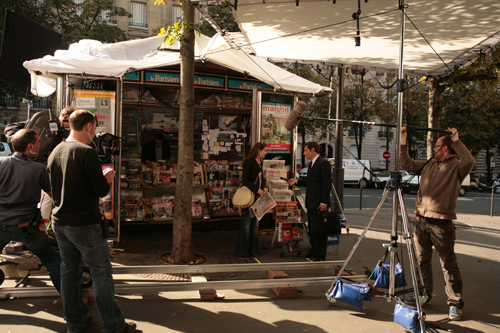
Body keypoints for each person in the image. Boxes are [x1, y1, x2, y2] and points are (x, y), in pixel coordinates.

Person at [47, 109, 136, 333]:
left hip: (60, 222)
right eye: (94, 128)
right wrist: (107, 178)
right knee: (101, 272)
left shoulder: (55, 150)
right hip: (83, 223)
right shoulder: (85, 152)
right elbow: (100, 189)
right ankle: (113, 325)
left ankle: (75, 323)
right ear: (88, 126)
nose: (95, 132)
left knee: (68, 272)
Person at [400, 126, 474, 321]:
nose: (433, 149)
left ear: (446, 149)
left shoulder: (457, 167)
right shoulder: (429, 164)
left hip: (442, 224)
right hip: (421, 222)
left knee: (448, 264)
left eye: (437, 146)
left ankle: (455, 303)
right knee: (422, 260)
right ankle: (424, 295)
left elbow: (470, 160)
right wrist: (402, 140)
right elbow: (406, 163)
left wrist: (456, 140)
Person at [0, 129, 61, 292]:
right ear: (30, 146)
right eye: (38, 142)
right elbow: (54, 197)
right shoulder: (39, 169)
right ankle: (71, 300)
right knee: (51, 260)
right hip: (26, 227)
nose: (40, 145)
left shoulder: (1, 163)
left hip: (1, 224)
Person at [289, 142, 332, 261]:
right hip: (312, 203)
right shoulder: (312, 164)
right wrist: (296, 181)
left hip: (319, 203)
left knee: (320, 231)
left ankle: (320, 255)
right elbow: (310, 182)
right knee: (312, 230)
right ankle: (314, 251)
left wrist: (324, 202)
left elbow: (326, 185)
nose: (304, 153)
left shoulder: (323, 163)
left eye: (306, 150)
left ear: (313, 150)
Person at [235, 142, 268, 257]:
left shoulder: (260, 163)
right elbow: (245, 180)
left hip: (256, 197)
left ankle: (253, 250)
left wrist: (263, 188)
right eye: (264, 150)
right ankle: (243, 251)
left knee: (254, 224)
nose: (266, 152)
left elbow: (259, 179)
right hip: (250, 197)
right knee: (247, 223)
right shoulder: (249, 162)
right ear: (258, 150)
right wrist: (257, 190)